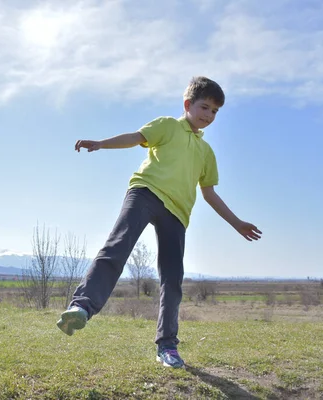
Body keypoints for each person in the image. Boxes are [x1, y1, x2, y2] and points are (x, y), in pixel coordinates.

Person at [57, 76, 262, 368]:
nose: (208, 115)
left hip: (177, 212)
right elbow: (136, 137)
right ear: (188, 104)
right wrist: (101, 144)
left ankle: (167, 346)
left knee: (172, 278)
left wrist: (237, 223)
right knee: (117, 248)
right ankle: (81, 306)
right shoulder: (168, 125)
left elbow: (209, 194)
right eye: (204, 107)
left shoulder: (206, 153)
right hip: (146, 193)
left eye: (215, 112)